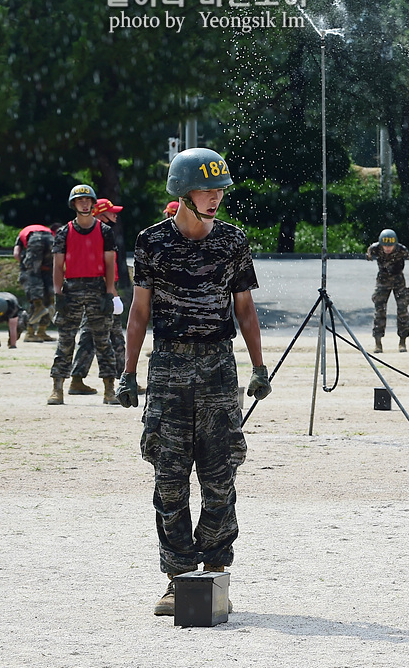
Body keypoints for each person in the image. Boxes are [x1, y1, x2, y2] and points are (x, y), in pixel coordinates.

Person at [116, 147, 271, 617]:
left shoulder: (232, 241)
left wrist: (259, 368)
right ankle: (178, 576)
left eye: (221, 188)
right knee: (169, 478)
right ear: (183, 192)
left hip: (218, 368)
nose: (217, 196)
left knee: (221, 474)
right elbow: (139, 311)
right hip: (168, 369)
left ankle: (216, 566)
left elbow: (244, 308)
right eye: (208, 188)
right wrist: (127, 372)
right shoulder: (151, 243)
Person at [48, 184, 118, 405]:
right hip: (72, 289)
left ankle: (109, 390)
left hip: (97, 287)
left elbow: (109, 264)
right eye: (80, 200)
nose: (85, 203)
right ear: (74, 204)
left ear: (93, 203)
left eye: (88, 200)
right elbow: (58, 266)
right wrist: (58, 294)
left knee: (103, 340)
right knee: (65, 340)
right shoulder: (64, 232)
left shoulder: (105, 231)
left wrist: (109, 293)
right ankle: (57, 389)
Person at [70, 198, 128, 397]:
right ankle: (123, 379)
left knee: (98, 336)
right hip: (101, 292)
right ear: (100, 214)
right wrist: (113, 294)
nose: (115, 215)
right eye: (111, 212)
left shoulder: (99, 232)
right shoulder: (99, 234)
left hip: (101, 291)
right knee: (106, 336)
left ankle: (79, 379)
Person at [366, 228, 409, 353]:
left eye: (391, 245)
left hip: (398, 281)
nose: (388, 248)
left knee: (402, 310)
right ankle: (378, 343)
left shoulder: (401, 249)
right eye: (385, 245)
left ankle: (402, 341)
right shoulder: (376, 248)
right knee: (379, 311)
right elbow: (369, 252)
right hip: (382, 281)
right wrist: (369, 256)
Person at [14, 222, 57, 342]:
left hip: (35, 240)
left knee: (32, 275)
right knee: (49, 296)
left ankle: (31, 332)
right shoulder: (49, 232)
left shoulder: (25, 233)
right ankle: (42, 331)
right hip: (51, 242)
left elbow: (16, 254)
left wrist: (27, 265)